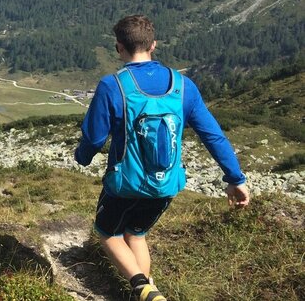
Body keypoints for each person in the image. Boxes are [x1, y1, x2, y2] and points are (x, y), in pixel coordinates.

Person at [74, 15, 250, 301]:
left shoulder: (112, 86)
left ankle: (142, 287)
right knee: (137, 233)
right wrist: (235, 178)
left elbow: (94, 138)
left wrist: (81, 157)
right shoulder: (183, 86)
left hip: (125, 183)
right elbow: (213, 136)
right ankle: (144, 293)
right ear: (153, 44)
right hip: (166, 184)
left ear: (119, 47)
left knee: (108, 233)